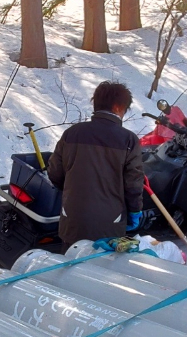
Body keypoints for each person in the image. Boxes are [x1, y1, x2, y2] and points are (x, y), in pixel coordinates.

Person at [47, 81, 145, 248]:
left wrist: (74, 191)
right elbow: (133, 185)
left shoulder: (71, 134)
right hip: (110, 224)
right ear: (117, 107)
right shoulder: (128, 140)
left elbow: (55, 172)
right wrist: (135, 212)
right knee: (101, 270)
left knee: (69, 264)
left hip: (72, 219)